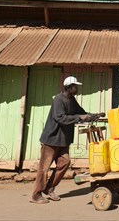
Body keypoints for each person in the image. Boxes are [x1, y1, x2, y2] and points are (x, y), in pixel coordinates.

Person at [31, 76, 95, 204]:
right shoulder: (58, 100)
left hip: (63, 139)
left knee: (64, 163)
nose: (77, 89)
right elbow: (61, 118)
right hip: (51, 139)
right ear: (68, 87)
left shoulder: (72, 100)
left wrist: (92, 116)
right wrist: (79, 117)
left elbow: (80, 112)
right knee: (44, 168)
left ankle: (49, 188)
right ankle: (36, 195)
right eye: (75, 86)